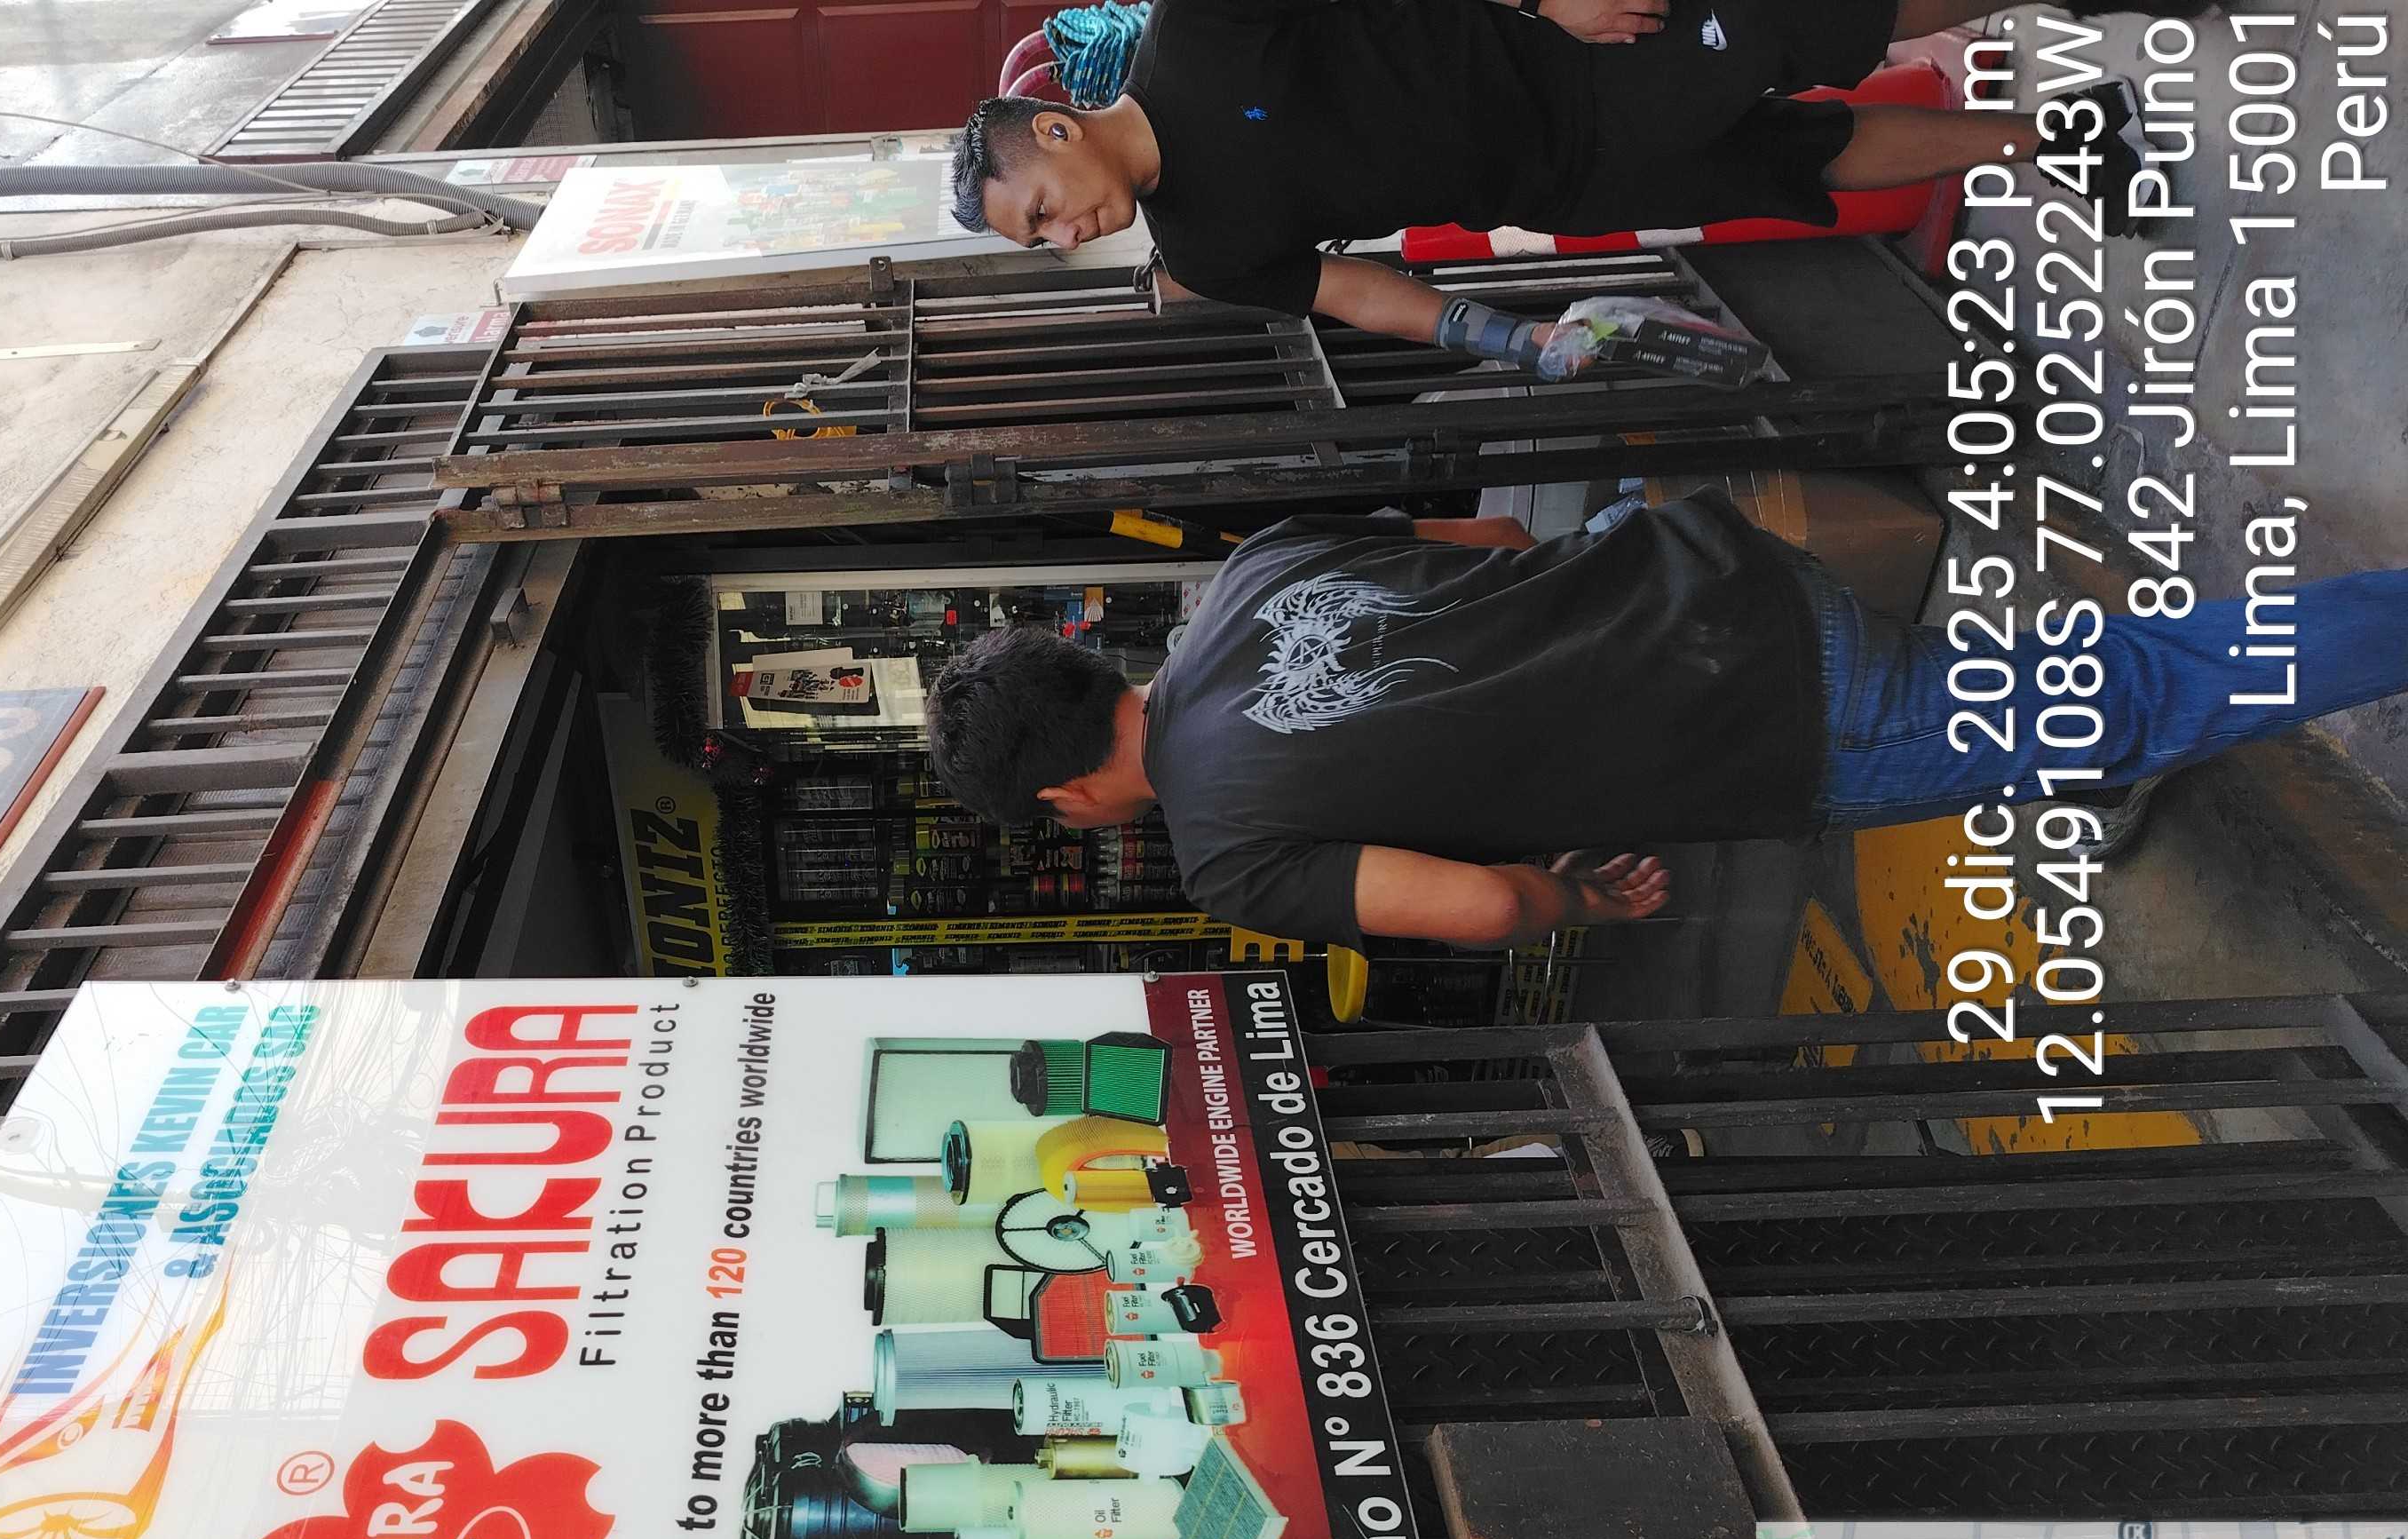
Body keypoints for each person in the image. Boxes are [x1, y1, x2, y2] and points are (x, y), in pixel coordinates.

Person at [923, 495, 2408, 948]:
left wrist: (1579, 897)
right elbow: (1498, 541)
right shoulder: (1253, 569)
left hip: (1782, 725)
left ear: (1062, 802)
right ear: (1083, 664)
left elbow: (1482, 906)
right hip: (1727, 577)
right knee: (2079, 693)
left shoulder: (1228, 861)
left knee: (2147, 685)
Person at [947, 0, 2177, 345]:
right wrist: (1506, 341)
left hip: (1569, 56)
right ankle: (2060, 138)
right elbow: (1352, 293)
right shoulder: (1206, 252)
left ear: (1054, 131)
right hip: (1559, 187)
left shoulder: (1198, 34)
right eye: (1040, 243)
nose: (1065, 235)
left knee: (1811, 23)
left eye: (1042, 215)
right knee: (1793, 162)